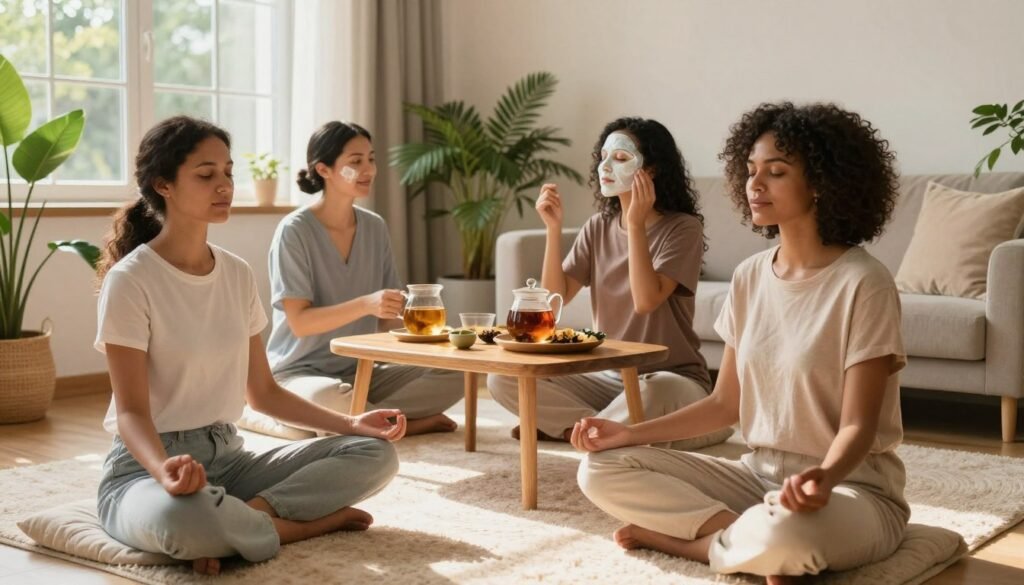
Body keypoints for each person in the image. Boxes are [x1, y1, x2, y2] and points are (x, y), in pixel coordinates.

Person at [575, 102, 907, 584]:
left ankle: (691, 542)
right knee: (599, 468)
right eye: (750, 170)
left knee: (787, 537)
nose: (755, 184)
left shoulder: (865, 283)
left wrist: (824, 478)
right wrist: (629, 435)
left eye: (775, 172)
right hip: (757, 478)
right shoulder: (750, 276)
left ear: (821, 184)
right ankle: (741, 541)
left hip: (852, 490)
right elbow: (725, 404)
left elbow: (858, 425)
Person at [95, 116, 406, 575]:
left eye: (228, 172)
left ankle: (246, 518)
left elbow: (263, 393)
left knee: (375, 453)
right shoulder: (131, 281)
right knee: (182, 520)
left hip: (229, 459)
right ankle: (291, 526)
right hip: (145, 469)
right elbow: (130, 414)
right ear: (164, 185)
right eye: (206, 175)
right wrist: (165, 473)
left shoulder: (236, 273)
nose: (224, 185)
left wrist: (350, 422)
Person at [487, 117, 731, 450]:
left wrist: (634, 223)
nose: (605, 166)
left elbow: (646, 300)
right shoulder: (597, 227)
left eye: (619, 158)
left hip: (669, 377)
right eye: (603, 156)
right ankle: (603, 431)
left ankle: (576, 428)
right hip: (607, 376)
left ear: (652, 170)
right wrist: (553, 230)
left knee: (656, 391)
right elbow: (554, 300)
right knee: (504, 377)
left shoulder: (682, 228)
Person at [259, 121, 463, 438]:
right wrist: (366, 304)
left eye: (371, 158)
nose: (368, 169)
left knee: (460, 372)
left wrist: (441, 334)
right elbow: (300, 323)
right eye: (355, 162)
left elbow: (385, 320)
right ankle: (401, 423)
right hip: (300, 373)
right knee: (334, 399)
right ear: (324, 169)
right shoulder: (294, 231)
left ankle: (361, 422)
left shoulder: (374, 226)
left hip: (361, 370)